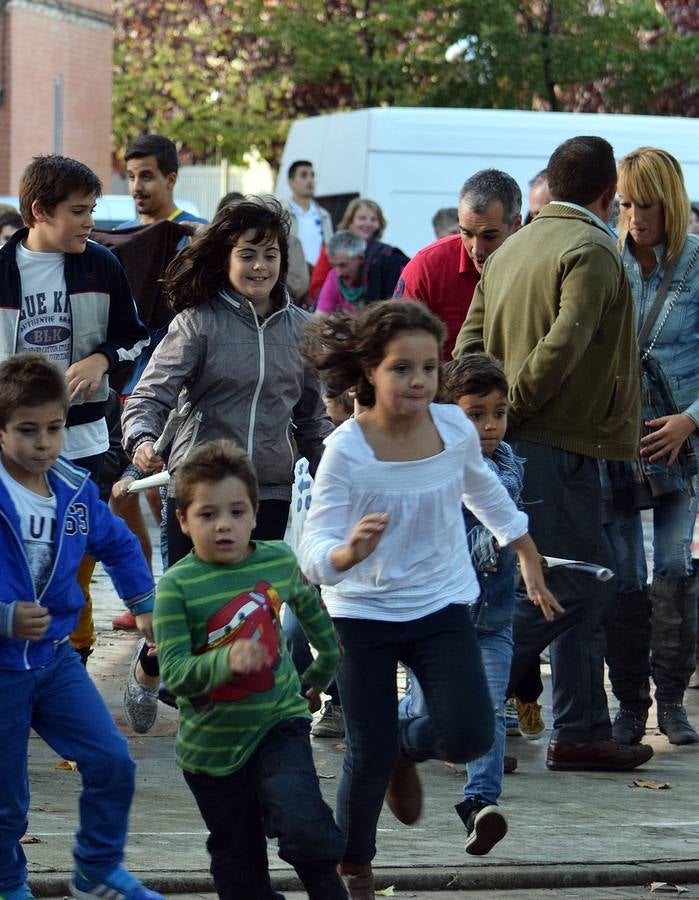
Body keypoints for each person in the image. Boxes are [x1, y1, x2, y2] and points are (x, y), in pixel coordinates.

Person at [298, 300, 558, 899]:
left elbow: (484, 492)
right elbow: (315, 540)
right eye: (401, 369)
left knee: (469, 734)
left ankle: (404, 747)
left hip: (441, 605)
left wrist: (526, 552)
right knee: (364, 755)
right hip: (362, 613)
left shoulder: (454, 428)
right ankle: (355, 867)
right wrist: (343, 556)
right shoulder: (347, 449)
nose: (418, 381)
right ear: (370, 371)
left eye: (428, 368)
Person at [0, 353, 162, 900]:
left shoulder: (75, 489)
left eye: (54, 428)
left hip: (53, 662)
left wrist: (144, 601)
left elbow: (119, 542)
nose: (44, 443)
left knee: (112, 761)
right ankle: (2, 884)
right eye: (27, 431)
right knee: (7, 796)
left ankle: (96, 868)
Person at [455, 135, 653, 773]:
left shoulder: (513, 247)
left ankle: (579, 729)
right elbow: (563, 347)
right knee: (576, 585)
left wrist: (475, 419)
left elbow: (470, 344)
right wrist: (510, 410)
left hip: (517, 442)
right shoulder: (592, 248)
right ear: (607, 195)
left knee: (566, 582)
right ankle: (456, 690)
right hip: (554, 442)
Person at [122, 196, 331, 734]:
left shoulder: (303, 332)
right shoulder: (198, 324)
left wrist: (334, 469)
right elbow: (149, 397)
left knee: (250, 605)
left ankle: (228, 713)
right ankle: (152, 661)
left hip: (268, 490)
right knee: (193, 606)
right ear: (226, 260)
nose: (259, 266)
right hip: (197, 488)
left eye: (270, 254)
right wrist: (143, 441)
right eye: (247, 255)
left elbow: (311, 421)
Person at [0, 154, 150, 666]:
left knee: (74, 563)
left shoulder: (103, 265)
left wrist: (101, 359)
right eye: (79, 211)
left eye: (93, 210)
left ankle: (69, 662)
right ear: (39, 211)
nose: (90, 222)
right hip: (3, 446)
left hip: (84, 444)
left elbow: (132, 337)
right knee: (8, 562)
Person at [155, 439, 348, 900]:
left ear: (256, 513)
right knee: (240, 876)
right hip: (210, 754)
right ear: (183, 520)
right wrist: (227, 659)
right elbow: (177, 674)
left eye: (237, 512)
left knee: (304, 826)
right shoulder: (176, 588)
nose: (224, 525)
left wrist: (316, 678)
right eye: (207, 515)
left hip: (278, 722)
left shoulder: (279, 560)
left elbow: (319, 623)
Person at [399, 353, 530, 856]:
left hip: (494, 619)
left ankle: (480, 804)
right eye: (476, 414)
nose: (491, 425)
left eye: (499, 412)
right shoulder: (426, 464)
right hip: (436, 619)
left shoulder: (508, 464)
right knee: (431, 713)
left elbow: (501, 517)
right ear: (448, 413)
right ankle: (397, 732)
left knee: (488, 709)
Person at [604, 146, 699, 747]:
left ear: (672, 202)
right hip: (615, 443)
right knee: (624, 576)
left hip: (680, 446)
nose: (636, 215)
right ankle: (630, 704)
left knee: (672, 566)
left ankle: (672, 700)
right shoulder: (607, 259)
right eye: (626, 204)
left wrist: (691, 420)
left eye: (646, 203)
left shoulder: (696, 261)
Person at [394, 169, 522, 359]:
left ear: (516, 224)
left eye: (489, 236)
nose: (476, 249)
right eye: (467, 233)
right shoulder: (427, 267)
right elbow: (394, 345)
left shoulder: (538, 265)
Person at [309, 197, 407, 304]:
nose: (368, 223)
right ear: (350, 221)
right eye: (362, 218)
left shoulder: (386, 255)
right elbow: (317, 286)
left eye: (373, 219)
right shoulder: (333, 248)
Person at [287, 160, 333, 282]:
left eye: (312, 175)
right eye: (303, 175)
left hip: (319, 279)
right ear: (291, 182)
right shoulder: (281, 212)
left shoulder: (324, 215)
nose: (310, 180)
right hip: (292, 278)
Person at [315, 231, 367, 314]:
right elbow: (319, 318)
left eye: (343, 265)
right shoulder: (333, 276)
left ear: (360, 258)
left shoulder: (376, 275)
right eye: (333, 265)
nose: (338, 273)